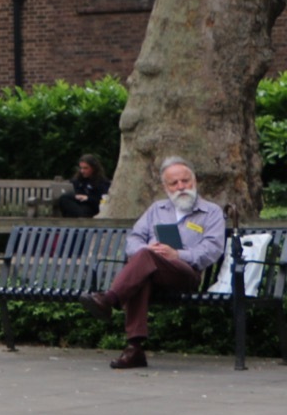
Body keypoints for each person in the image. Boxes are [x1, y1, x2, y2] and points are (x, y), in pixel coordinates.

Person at [81, 157, 225, 369]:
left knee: (145, 260)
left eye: (185, 181)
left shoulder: (211, 212)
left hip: (186, 273)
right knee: (143, 266)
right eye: (174, 183)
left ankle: (109, 299)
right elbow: (134, 239)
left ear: (194, 181)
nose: (181, 187)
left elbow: (212, 249)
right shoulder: (157, 209)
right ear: (165, 187)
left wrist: (177, 255)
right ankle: (135, 349)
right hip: (151, 271)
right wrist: (147, 249)